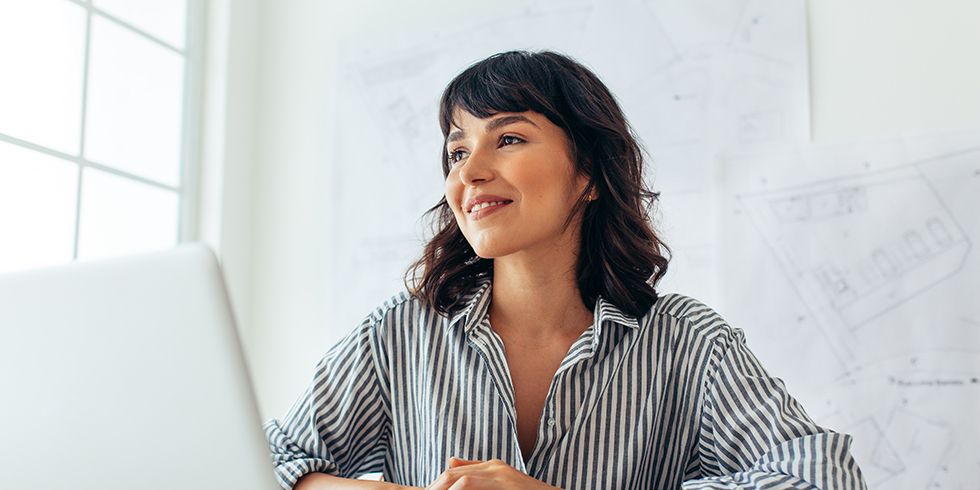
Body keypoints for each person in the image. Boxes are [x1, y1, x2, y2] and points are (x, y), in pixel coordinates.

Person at [264, 50, 867, 489]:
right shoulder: (400, 334)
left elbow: (821, 479)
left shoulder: (689, 344)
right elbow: (260, 463)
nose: (468, 172)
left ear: (589, 174)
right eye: (456, 150)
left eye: (508, 139)